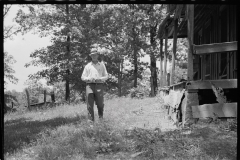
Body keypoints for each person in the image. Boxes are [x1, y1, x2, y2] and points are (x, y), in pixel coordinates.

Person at [81, 49, 108, 122]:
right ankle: (90, 122)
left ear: (97, 55)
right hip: (89, 86)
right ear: (91, 56)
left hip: (99, 85)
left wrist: (100, 79)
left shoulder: (101, 65)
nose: (94, 56)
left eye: (95, 55)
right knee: (89, 104)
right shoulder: (88, 66)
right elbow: (83, 77)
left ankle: (101, 118)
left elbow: (106, 76)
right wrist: (89, 79)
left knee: (100, 104)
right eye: (92, 55)